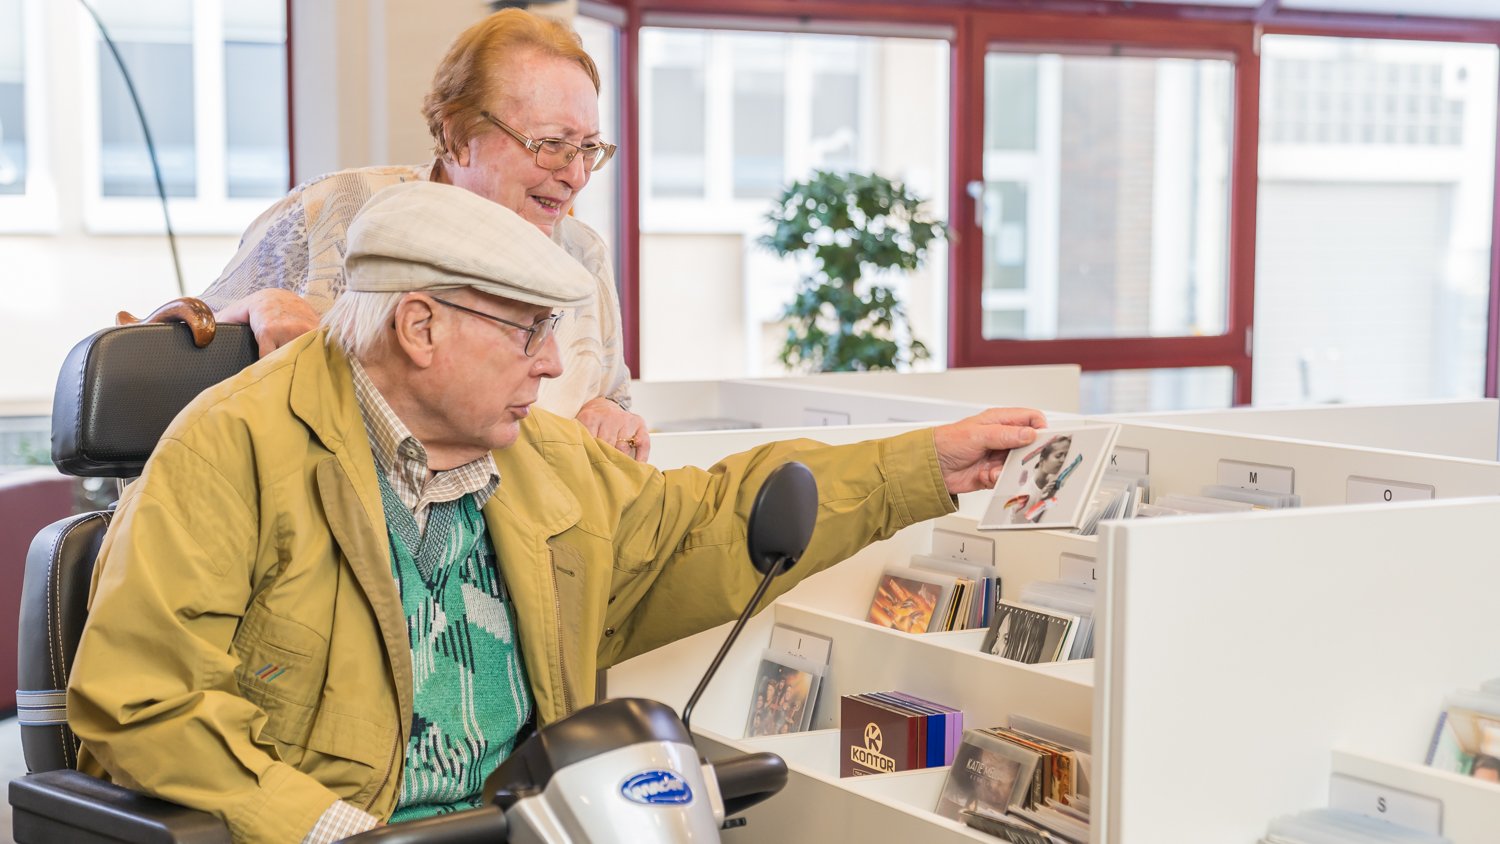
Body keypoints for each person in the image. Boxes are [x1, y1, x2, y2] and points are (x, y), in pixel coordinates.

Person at [67, 181, 1046, 844]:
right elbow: (142, 707)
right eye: (528, 331)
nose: (550, 363)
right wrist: (330, 829)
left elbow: (694, 524)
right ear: (420, 326)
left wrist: (926, 464)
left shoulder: (534, 452)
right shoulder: (231, 447)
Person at [199, 9, 650, 459]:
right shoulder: (332, 208)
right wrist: (260, 303)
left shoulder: (583, 254)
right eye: (552, 145)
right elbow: (165, 353)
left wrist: (606, 412)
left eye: (589, 148)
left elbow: (610, 394)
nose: (576, 176)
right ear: (458, 137)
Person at [1006, 434, 1073, 524]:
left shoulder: (1050, 479)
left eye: (1065, 455)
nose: (1063, 460)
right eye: (1058, 456)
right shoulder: (1026, 495)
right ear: (1042, 460)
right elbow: (1028, 529)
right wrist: (1043, 502)